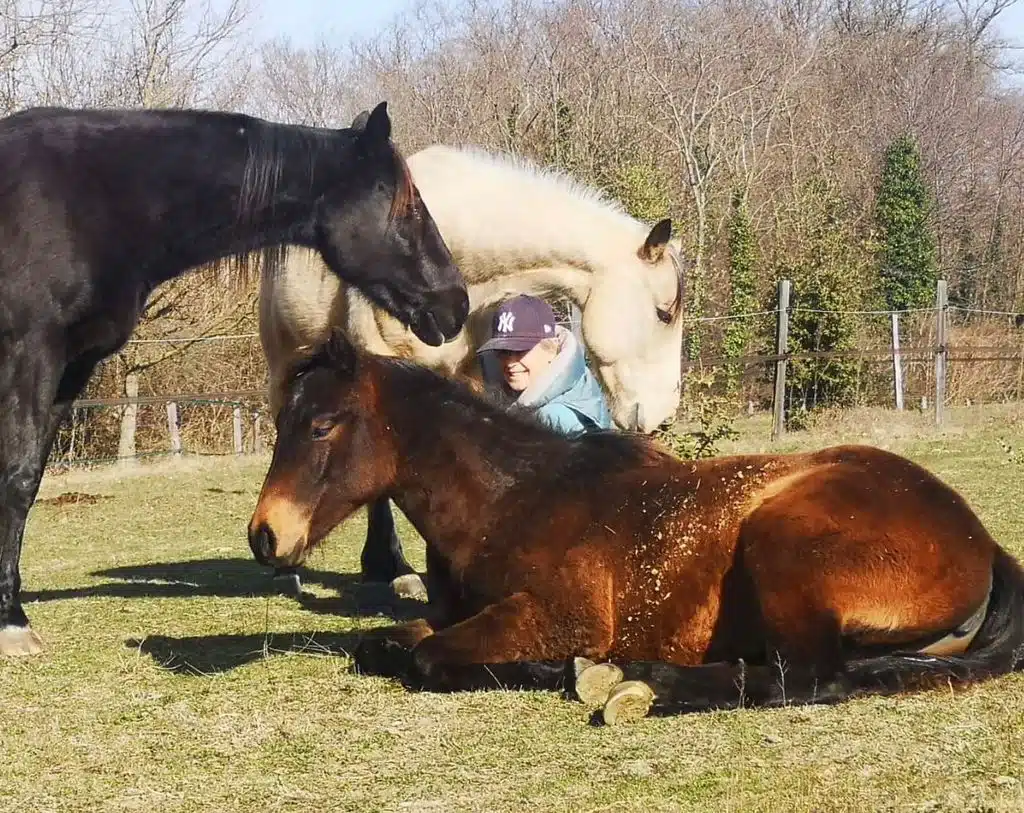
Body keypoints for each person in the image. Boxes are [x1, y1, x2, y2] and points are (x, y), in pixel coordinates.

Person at [476, 294, 612, 436]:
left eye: (521, 350)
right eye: (503, 351)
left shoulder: (552, 419)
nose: (510, 362)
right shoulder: (579, 381)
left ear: (551, 349)